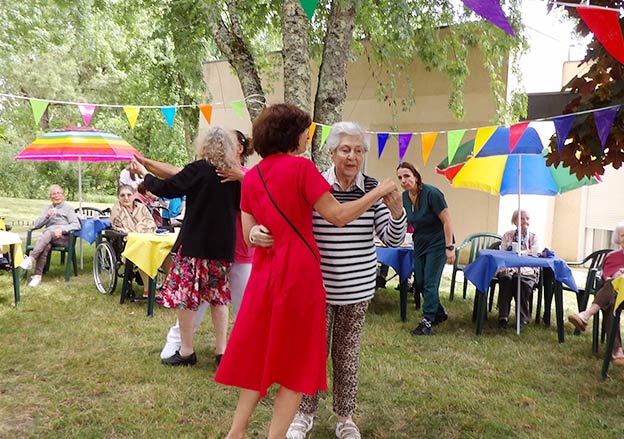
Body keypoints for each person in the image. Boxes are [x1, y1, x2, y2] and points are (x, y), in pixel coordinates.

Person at [214, 104, 397, 439]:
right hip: (300, 277)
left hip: (265, 275)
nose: (306, 135)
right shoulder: (302, 170)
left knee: (260, 355)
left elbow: (248, 230)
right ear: (290, 135)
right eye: (304, 130)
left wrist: (256, 235)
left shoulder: (252, 176)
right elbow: (339, 215)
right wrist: (378, 192)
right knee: (297, 367)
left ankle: (236, 432)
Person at [286, 122, 406, 439]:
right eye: (345, 149)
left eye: (358, 150)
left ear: (365, 154)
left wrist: (397, 214)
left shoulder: (372, 188)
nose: (352, 157)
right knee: (312, 354)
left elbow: (392, 240)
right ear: (332, 152)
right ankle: (304, 413)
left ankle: (345, 418)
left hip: (357, 288)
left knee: (347, 354)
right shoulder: (315, 185)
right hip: (317, 289)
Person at [136, 130, 256, 363]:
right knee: (219, 298)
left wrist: (144, 174)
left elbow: (167, 188)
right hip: (223, 249)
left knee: (187, 298)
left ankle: (187, 351)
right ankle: (222, 351)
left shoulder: (198, 169)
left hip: (195, 247)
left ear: (205, 146)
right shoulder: (234, 175)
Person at [396, 162, 455, 335]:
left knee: (430, 283)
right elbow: (406, 221)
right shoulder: (404, 197)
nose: (404, 180)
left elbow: (447, 221)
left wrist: (449, 247)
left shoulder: (432, 194)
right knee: (419, 283)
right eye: (400, 177)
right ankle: (440, 313)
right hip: (419, 243)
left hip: (437, 243)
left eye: (407, 176)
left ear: (416, 176)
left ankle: (427, 321)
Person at [568, 221, 624, 364]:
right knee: (611, 300)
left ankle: (586, 315)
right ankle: (617, 351)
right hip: (614, 294)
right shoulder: (611, 256)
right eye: (623, 235)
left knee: (611, 292)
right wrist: (616, 276)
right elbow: (606, 278)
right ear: (618, 238)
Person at [19, 185, 81, 287]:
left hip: (63, 237)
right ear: (50, 197)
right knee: (46, 245)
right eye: (53, 194)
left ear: (63, 196)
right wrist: (46, 216)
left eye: (58, 193)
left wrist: (62, 229)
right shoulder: (48, 208)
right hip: (48, 238)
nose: (56, 196)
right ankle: (37, 276)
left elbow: (76, 224)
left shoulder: (68, 209)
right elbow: (37, 225)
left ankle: (31, 259)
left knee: (46, 234)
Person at [110, 184, 159, 298]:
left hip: (147, 239)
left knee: (166, 251)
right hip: (129, 243)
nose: (126, 198)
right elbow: (117, 227)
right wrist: (140, 229)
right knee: (142, 251)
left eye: (129, 195)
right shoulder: (117, 209)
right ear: (118, 197)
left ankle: (169, 287)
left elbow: (151, 223)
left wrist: (139, 229)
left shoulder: (141, 207)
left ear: (134, 195)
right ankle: (148, 289)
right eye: (122, 195)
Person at [496, 209, 540, 329]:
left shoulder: (533, 237)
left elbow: (534, 253)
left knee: (520, 280)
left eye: (527, 218)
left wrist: (523, 253)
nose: (525, 221)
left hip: (527, 269)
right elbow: (502, 253)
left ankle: (522, 318)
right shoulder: (507, 235)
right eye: (521, 218)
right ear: (514, 221)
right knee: (506, 278)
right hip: (508, 267)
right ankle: (503, 317)